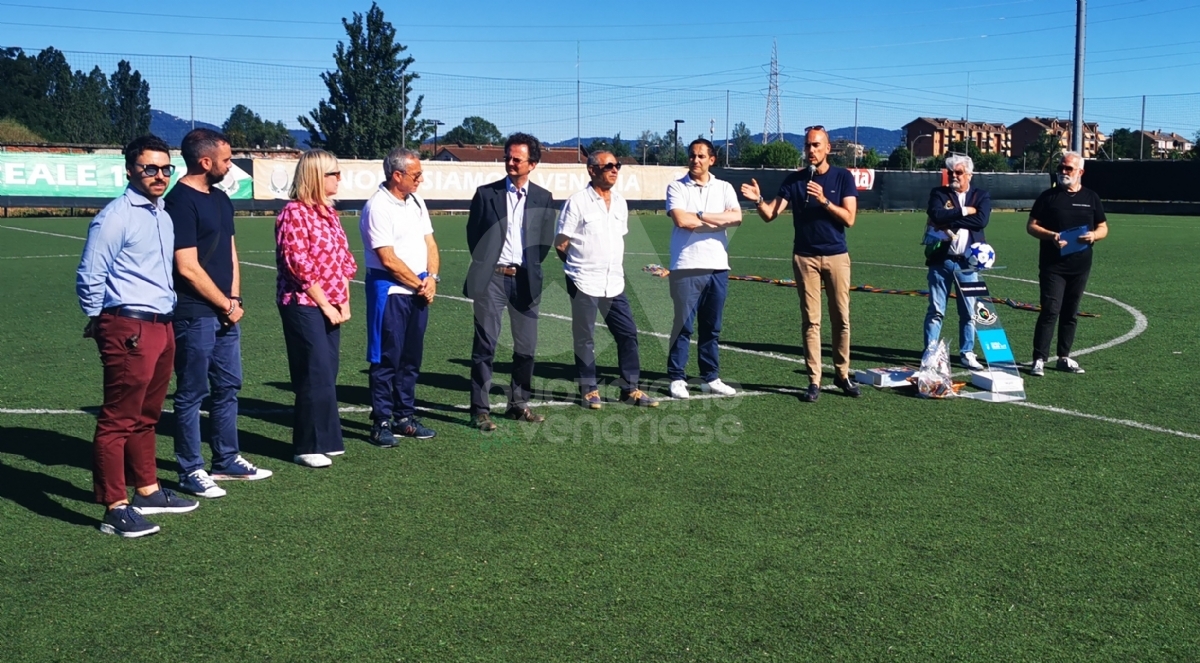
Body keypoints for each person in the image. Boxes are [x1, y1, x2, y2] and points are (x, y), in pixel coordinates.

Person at [76, 135, 199, 537]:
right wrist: (99, 319)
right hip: (128, 325)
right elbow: (90, 273)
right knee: (117, 419)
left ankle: (147, 488)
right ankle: (115, 505)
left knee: (147, 416)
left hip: (161, 324)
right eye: (150, 168)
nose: (160, 176)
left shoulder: (161, 214)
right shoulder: (116, 216)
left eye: (166, 169)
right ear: (130, 170)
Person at [166, 128, 271, 499]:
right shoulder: (179, 202)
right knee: (192, 392)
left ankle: (225, 458)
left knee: (228, 387)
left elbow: (230, 252)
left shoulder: (222, 200)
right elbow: (187, 267)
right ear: (205, 161)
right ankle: (189, 468)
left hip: (227, 310)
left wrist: (236, 299)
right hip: (194, 313)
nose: (231, 166)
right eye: (227, 160)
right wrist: (224, 304)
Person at [741, 126, 859, 403]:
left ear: (828, 148)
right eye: (808, 146)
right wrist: (758, 200)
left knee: (841, 318)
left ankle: (842, 374)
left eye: (817, 145)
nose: (811, 150)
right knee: (811, 321)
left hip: (837, 257)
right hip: (804, 258)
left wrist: (824, 201)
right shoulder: (793, 181)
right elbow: (770, 214)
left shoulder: (843, 177)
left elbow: (850, 218)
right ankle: (814, 381)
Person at [463, 133, 557, 431]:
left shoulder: (543, 198)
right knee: (486, 345)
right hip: (492, 279)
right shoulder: (485, 194)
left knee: (526, 347)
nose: (510, 163)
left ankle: (518, 404)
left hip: (526, 281)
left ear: (533, 164)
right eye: (508, 157)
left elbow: (543, 242)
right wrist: (489, 264)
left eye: (517, 159)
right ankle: (480, 409)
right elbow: (473, 236)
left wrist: (527, 267)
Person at [554, 150, 658, 409]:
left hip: (614, 282)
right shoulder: (577, 202)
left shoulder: (621, 203)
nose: (614, 170)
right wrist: (578, 267)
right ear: (592, 170)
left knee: (628, 334)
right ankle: (589, 389)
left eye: (617, 166)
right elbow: (560, 243)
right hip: (583, 280)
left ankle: (629, 388)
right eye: (608, 166)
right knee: (585, 337)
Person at [276, 149, 358, 467]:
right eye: (333, 173)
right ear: (315, 177)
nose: (339, 178)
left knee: (327, 371)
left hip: (331, 305)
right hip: (304, 304)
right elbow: (299, 264)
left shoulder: (330, 213)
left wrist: (344, 302)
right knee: (314, 371)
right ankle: (306, 445)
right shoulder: (294, 213)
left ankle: (327, 438)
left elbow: (344, 261)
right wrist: (326, 304)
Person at [360, 147, 440, 445]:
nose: (420, 179)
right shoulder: (377, 207)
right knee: (386, 359)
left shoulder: (416, 201)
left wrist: (431, 278)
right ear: (397, 175)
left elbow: (429, 242)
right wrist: (419, 285)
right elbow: (388, 259)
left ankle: (404, 416)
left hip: (418, 290)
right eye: (416, 174)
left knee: (410, 358)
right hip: (391, 292)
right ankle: (381, 421)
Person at [664, 138, 743, 400]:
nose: (695, 160)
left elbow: (736, 218)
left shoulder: (724, 187)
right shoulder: (676, 187)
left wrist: (699, 215)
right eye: (692, 155)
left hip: (718, 268)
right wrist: (715, 219)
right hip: (686, 266)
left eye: (701, 156)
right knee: (683, 326)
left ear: (712, 160)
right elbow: (681, 220)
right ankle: (677, 377)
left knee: (712, 327)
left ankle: (711, 377)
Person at [1026, 151, 1109, 376]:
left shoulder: (1091, 197)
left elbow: (1103, 227)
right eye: (1061, 167)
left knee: (1070, 312)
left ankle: (1064, 357)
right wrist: (1051, 235)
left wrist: (1094, 236)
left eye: (1068, 169)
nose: (1063, 172)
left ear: (1080, 172)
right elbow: (1032, 226)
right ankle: (1039, 359)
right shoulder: (1048, 197)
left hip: (1080, 265)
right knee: (1050, 310)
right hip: (1053, 266)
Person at [921, 154, 991, 370]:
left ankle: (967, 352)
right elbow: (935, 214)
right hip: (940, 261)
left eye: (958, 173)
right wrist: (963, 212)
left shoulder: (981, 195)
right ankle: (930, 353)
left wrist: (949, 218)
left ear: (969, 174)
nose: (953, 176)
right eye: (950, 172)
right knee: (936, 311)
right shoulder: (939, 193)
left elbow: (981, 220)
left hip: (969, 264)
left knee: (969, 312)